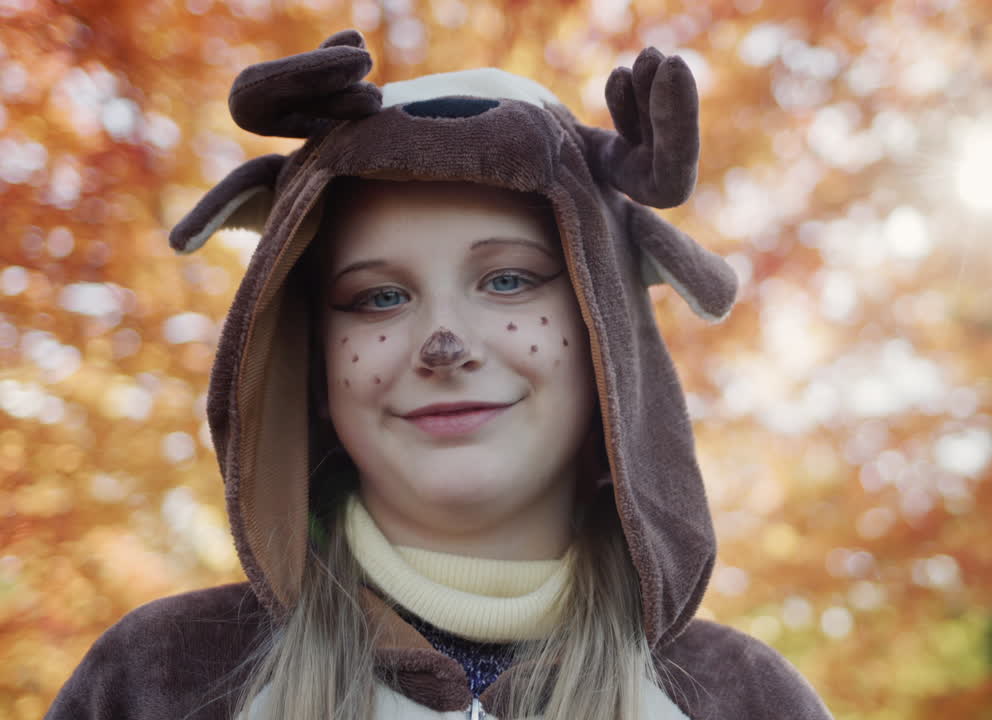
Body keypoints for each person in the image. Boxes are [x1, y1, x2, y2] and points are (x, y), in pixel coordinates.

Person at [44, 28, 834, 720]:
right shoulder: (157, 681)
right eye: (379, 298)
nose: (444, 342)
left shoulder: (746, 700)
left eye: (509, 280)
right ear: (313, 362)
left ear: (607, 335)